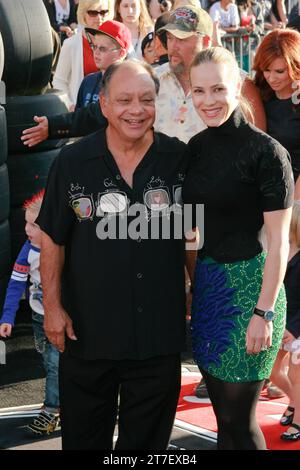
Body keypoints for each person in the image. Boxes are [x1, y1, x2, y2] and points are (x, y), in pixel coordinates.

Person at [36, 60, 190, 450]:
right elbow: (53, 238)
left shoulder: (180, 160)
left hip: (158, 335)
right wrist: (52, 308)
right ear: (103, 104)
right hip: (87, 335)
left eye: (146, 99)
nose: (136, 110)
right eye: (124, 100)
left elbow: (193, 236)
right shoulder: (72, 162)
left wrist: (199, 298)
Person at [183, 46, 294, 450]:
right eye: (199, 91)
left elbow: (280, 241)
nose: (208, 101)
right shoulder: (195, 148)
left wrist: (263, 313)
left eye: (218, 89)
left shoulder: (267, 153)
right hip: (210, 288)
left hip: (252, 290)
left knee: (239, 421)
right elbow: (190, 226)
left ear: (239, 88)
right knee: (221, 420)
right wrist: (192, 283)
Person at [21, 6, 266, 146]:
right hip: (161, 194)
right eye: (169, 38)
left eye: (181, 38)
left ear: (205, 40)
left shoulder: (238, 83)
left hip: (214, 195)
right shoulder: (152, 79)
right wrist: (54, 126)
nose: (172, 46)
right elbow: (103, 111)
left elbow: (257, 144)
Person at [0, 190, 60, 436]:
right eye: (26, 222)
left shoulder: (63, 247)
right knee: (49, 362)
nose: (27, 229)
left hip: (63, 316)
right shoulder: (27, 250)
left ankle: (52, 409)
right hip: (38, 318)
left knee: (56, 364)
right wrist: (7, 317)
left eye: (34, 225)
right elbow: (15, 284)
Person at [253, 28, 300, 199]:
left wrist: (294, 203)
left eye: (280, 71)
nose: (271, 78)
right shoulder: (258, 93)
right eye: (266, 70)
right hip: (265, 188)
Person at [270, 201, 300, 442]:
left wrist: (295, 329)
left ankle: (299, 419)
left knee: (298, 375)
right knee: (272, 370)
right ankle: (295, 402)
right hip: (282, 323)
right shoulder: (278, 249)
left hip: (298, 328)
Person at [53, 0, 113, 109]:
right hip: (82, 113)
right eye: (93, 13)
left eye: (104, 12)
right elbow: (59, 81)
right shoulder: (71, 44)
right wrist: (69, 105)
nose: (99, 18)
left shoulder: (116, 41)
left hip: (110, 113)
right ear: (83, 14)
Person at [75, 20, 131, 108]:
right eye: (94, 46)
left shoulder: (129, 85)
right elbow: (78, 117)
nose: (96, 52)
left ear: (121, 53)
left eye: (102, 49)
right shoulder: (88, 81)